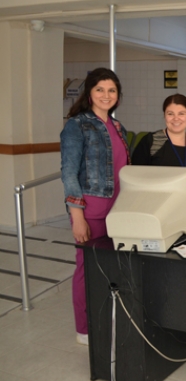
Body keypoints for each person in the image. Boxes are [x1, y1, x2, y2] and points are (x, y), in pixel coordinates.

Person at [60, 68, 130, 345]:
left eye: (111, 90)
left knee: (112, 267)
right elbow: (69, 173)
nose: (106, 95)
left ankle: (107, 316)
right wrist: (77, 216)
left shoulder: (119, 127)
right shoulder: (77, 125)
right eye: (100, 89)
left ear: (118, 96)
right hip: (91, 211)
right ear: (89, 93)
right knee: (87, 269)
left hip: (119, 210)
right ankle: (85, 328)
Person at [132, 94, 186, 227]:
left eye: (181, 113)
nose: (176, 118)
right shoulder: (151, 142)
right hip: (158, 217)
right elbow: (136, 182)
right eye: (170, 114)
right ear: (164, 115)